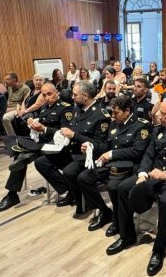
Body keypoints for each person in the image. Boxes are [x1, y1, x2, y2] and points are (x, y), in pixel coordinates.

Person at [112, 98, 166, 273]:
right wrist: (143, 174)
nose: (158, 115)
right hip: (153, 176)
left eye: (163, 113)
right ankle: (127, 235)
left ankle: (158, 250)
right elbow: (148, 155)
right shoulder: (158, 131)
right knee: (122, 188)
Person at [0, 83, 73, 213]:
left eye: (49, 94)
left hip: (55, 145)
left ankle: (12, 195)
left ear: (56, 92)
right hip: (41, 141)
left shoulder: (66, 109)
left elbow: (64, 134)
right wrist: (33, 123)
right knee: (12, 140)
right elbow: (41, 123)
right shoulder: (45, 107)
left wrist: (43, 129)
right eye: (44, 95)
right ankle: (28, 156)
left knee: (21, 153)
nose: (47, 98)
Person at [78, 96, 151, 235]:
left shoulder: (142, 125)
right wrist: (92, 147)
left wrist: (112, 154)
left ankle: (118, 221)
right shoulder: (114, 123)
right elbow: (107, 144)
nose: (113, 115)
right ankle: (105, 212)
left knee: (113, 187)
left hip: (129, 166)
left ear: (127, 111)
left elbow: (137, 151)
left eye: (116, 112)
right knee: (83, 178)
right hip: (110, 164)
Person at [34, 81, 110, 214]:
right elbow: (66, 132)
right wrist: (44, 129)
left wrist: (74, 135)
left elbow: (100, 146)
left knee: (69, 171)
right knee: (41, 162)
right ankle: (69, 192)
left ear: (85, 96)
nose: (72, 97)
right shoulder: (78, 109)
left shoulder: (101, 115)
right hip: (71, 151)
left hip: (87, 156)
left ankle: (83, 202)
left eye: (75, 95)